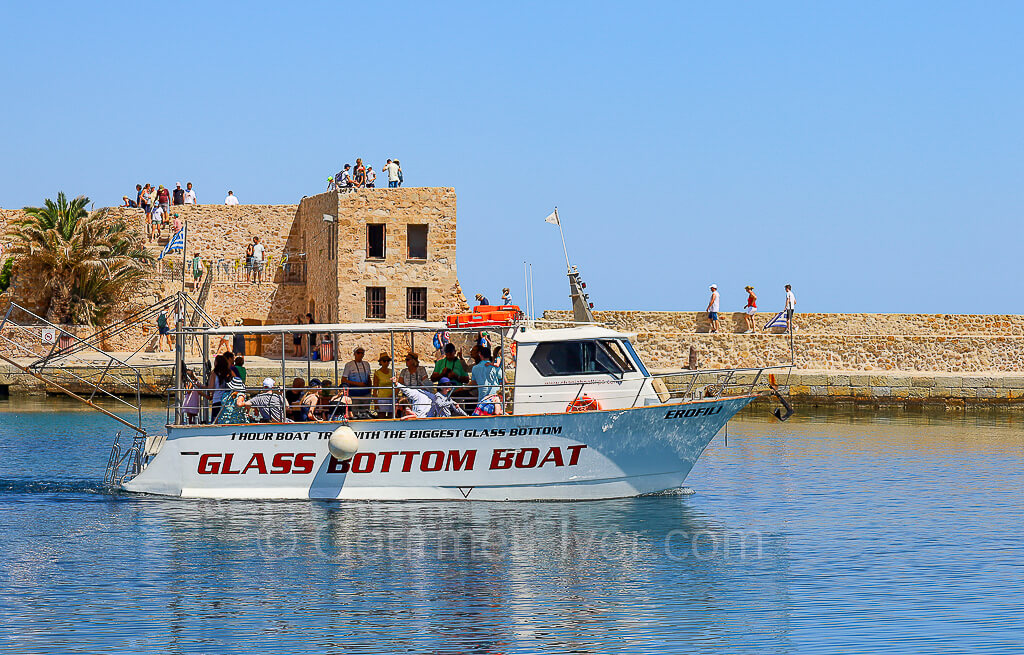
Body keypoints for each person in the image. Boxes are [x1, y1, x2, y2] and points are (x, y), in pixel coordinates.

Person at [395, 378, 468, 418]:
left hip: (432, 419)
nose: (449, 387)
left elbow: (455, 407)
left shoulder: (436, 396)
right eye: (447, 385)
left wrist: (466, 415)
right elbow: (440, 404)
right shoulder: (434, 395)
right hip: (425, 420)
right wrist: (397, 384)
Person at [342, 347, 372, 413]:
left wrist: (370, 390)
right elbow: (343, 380)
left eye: (362, 353)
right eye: (358, 353)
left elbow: (369, 378)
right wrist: (358, 384)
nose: (360, 355)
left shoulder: (367, 364)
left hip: (366, 393)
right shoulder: (349, 365)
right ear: (355, 354)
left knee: (365, 413)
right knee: (354, 412)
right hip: (354, 394)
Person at [206, 354, 232, 422]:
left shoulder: (214, 373)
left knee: (215, 420)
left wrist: (202, 387)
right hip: (228, 400)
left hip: (217, 400)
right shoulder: (229, 372)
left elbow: (211, 389)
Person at [373, 352, 394, 418]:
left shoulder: (392, 372)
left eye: (388, 361)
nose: (386, 362)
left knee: (392, 416)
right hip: (382, 398)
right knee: (381, 416)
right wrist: (375, 403)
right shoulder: (377, 373)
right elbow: (375, 389)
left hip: (391, 397)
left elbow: (396, 385)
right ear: (381, 362)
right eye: (384, 361)